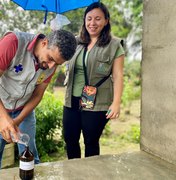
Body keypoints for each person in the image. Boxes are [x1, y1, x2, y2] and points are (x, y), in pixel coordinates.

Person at [0, 29, 77, 168]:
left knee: (30, 157)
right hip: (1, 106)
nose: (51, 67)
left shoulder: (51, 64)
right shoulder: (13, 42)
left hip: (24, 109)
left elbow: (38, 94)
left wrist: (18, 120)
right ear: (44, 43)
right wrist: (4, 118)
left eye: (57, 64)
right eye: (51, 59)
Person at [63, 2, 125, 159]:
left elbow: (118, 75)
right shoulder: (75, 42)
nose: (92, 23)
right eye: (89, 18)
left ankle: (91, 175)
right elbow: (58, 56)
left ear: (106, 21)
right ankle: (74, 173)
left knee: (91, 141)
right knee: (70, 140)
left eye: (98, 18)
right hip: (71, 100)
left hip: (96, 102)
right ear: (84, 21)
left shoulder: (114, 45)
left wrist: (116, 102)